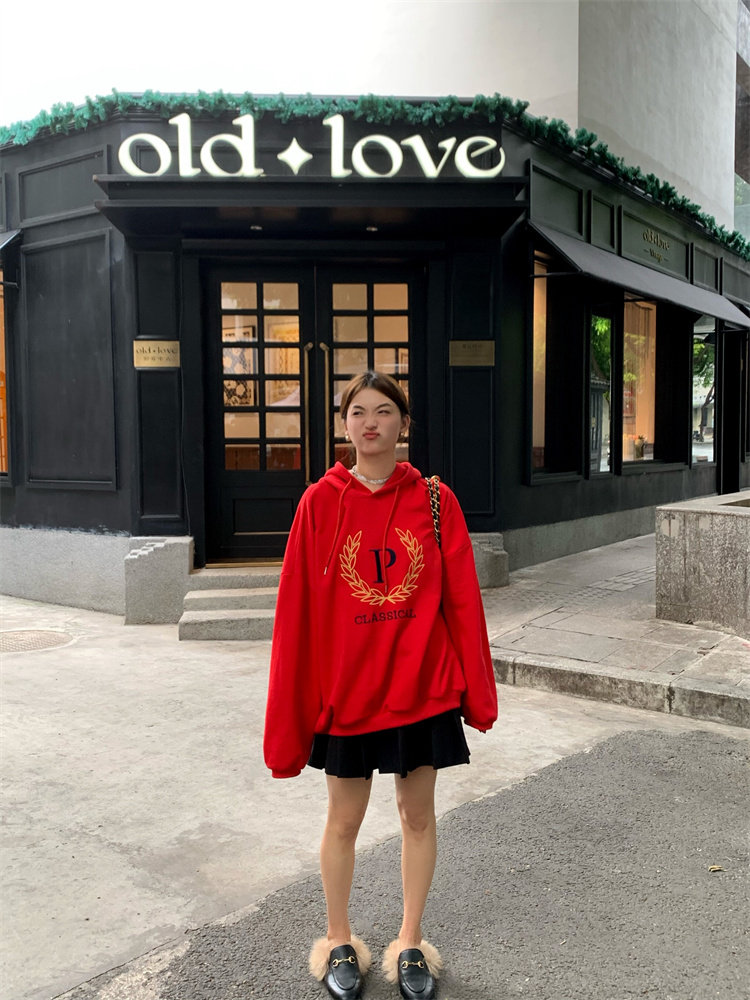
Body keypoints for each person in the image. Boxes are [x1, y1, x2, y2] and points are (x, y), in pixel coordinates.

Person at [264, 370, 498, 1000]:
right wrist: (294, 712)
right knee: (343, 822)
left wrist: (478, 693)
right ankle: (338, 938)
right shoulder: (319, 503)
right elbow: (296, 614)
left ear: (403, 423)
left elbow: (463, 603)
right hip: (350, 694)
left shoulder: (434, 501)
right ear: (344, 425)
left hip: (422, 689)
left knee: (417, 817)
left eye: (384, 411)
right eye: (358, 412)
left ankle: (411, 941)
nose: (371, 423)